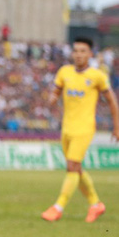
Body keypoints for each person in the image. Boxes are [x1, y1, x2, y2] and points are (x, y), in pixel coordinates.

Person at [42, 37, 119, 222]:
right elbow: (55, 92)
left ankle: (58, 207)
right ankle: (95, 204)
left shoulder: (97, 76)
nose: (78, 54)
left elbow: (111, 102)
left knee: (72, 167)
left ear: (90, 54)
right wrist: (51, 99)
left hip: (85, 128)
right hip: (66, 127)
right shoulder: (64, 72)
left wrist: (117, 127)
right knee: (76, 169)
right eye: (76, 50)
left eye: (83, 51)